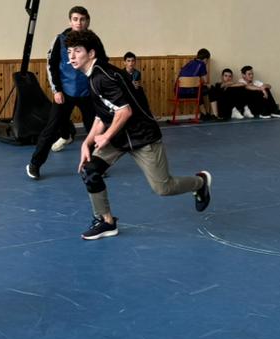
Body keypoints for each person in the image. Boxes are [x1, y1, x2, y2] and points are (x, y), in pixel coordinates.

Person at [69, 30, 213, 240]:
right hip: (119, 136)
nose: (72, 56)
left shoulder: (103, 77)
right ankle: (106, 222)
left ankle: (200, 182)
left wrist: (105, 137)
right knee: (90, 170)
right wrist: (87, 142)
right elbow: (103, 115)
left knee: (163, 188)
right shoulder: (93, 76)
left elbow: (124, 111)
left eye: (77, 51)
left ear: (91, 54)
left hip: (142, 137)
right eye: (69, 52)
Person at [26, 6, 103, 178]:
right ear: (70, 21)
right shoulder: (60, 40)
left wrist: (98, 89)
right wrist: (57, 90)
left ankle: (95, 165)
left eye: (82, 19)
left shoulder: (94, 41)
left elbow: (102, 63)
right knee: (51, 128)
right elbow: (51, 65)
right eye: (75, 19)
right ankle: (34, 164)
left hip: (88, 93)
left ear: (87, 21)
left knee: (95, 129)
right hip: (65, 93)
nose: (79, 22)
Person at [176, 48, 213, 117]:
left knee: (199, 91)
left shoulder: (190, 62)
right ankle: (209, 113)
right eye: (207, 60)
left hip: (178, 92)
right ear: (205, 59)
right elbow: (205, 81)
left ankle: (204, 113)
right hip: (191, 92)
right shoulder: (202, 64)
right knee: (209, 89)